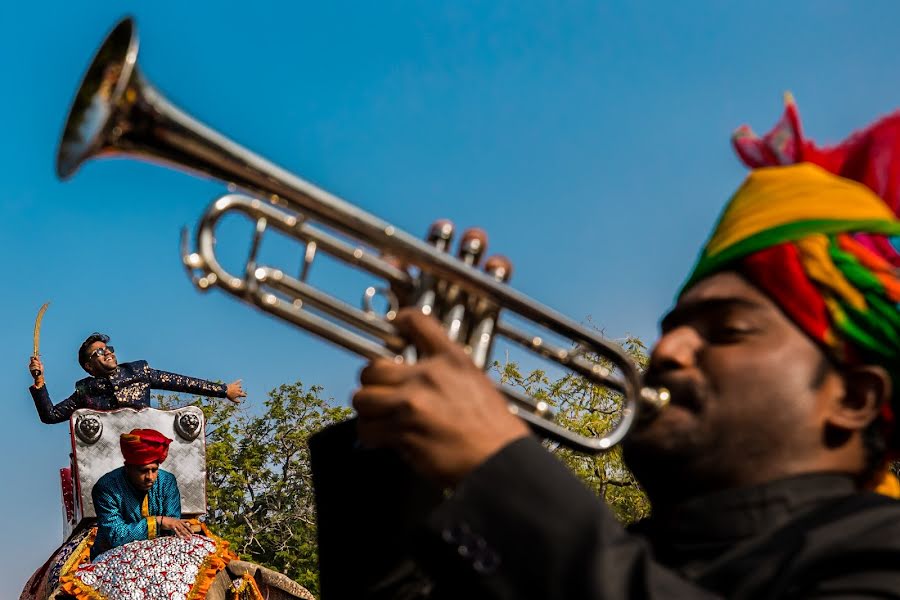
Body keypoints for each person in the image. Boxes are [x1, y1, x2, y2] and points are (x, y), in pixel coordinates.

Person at [311, 97, 900, 599]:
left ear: (852, 397)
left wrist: (500, 469)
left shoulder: (881, 552)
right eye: (675, 325)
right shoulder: (641, 552)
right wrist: (394, 450)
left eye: (727, 329)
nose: (668, 349)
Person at [28, 332, 246, 424]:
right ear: (89, 366)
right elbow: (51, 415)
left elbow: (180, 381)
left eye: (108, 348)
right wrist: (40, 381)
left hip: (146, 445)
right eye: (100, 352)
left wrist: (223, 390)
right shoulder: (86, 390)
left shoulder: (138, 372)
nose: (109, 353)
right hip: (109, 454)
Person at [91, 428, 193, 559]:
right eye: (143, 471)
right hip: (115, 555)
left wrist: (170, 525)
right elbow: (117, 535)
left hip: (162, 553)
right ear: (128, 468)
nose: (150, 477)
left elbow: (173, 525)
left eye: (154, 470)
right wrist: (157, 522)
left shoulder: (167, 481)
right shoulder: (106, 488)